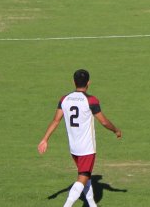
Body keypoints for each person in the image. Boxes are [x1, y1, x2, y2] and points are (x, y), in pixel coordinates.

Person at [38, 69, 122, 207]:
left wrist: (45, 139)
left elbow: (55, 120)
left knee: (86, 175)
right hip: (87, 149)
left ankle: (92, 204)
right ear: (88, 82)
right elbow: (104, 122)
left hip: (74, 148)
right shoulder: (91, 100)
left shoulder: (64, 99)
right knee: (82, 178)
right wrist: (116, 130)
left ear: (73, 82)